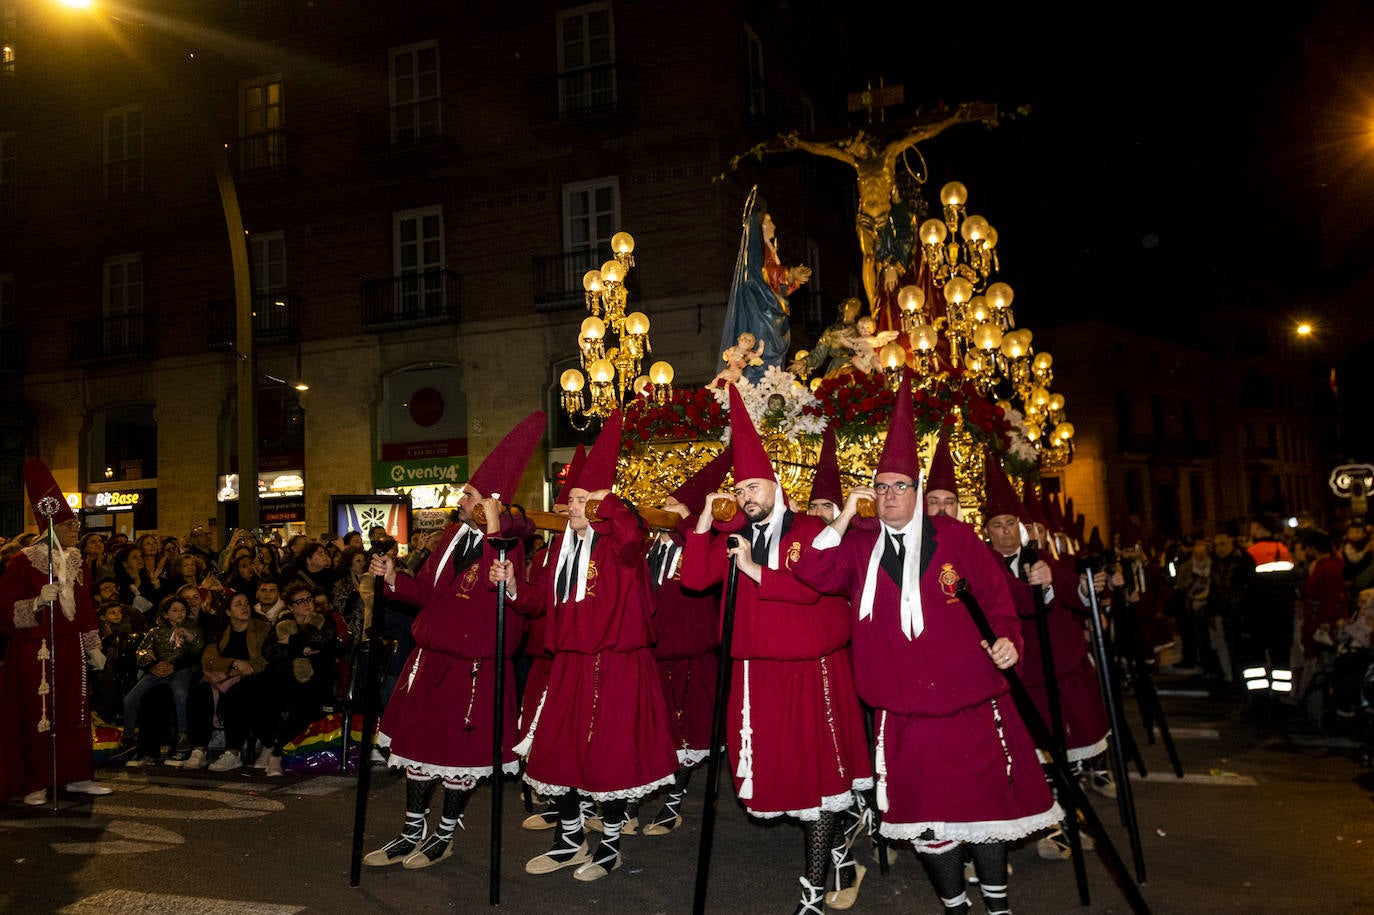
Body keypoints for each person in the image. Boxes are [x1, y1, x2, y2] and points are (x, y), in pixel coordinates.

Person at [795, 374, 1059, 915]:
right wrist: (847, 513)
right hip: (905, 712)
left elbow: (1000, 605)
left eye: (900, 487)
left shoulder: (958, 539)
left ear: (917, 492)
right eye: (881, 487)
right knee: (931, 823)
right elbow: (816, 571)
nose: (890, 497)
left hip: (972, 702)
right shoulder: (860, 545)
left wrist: (1010, 641)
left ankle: (998, 908)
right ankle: (955, 907)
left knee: (987, 818)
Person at [681, 385, 873, 914]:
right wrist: (703, 521)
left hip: (809, 671)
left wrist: (753, 569)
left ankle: (813, 889)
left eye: (752, 487)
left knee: (816, 781)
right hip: (751, 672)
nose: (744, 496)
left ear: (775, 485)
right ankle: (841, 851)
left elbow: (815, 587)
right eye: (738, 489)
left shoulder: (811, 529)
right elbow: (695, 581)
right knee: (783, 776)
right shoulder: (731, 536)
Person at [494, 410, 678, 882]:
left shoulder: (620, 542)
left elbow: (635, 537)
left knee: (612, 756)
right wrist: (514, 585)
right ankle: (571, 838)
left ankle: (610, 845)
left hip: (619, 664)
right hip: (569, 664)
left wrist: (606, 505)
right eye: (572, 499)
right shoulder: (558, 550)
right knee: (556, 753)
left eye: (581, 499)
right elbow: (539, 604)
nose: (572, 506)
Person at [363, 411, 545, 870]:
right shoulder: (449, 537)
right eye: (463, 494)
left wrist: (495, 528)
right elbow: (426, 592)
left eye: (469, 495)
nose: (459, 500)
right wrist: (392, 579)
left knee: (459, 756)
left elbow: (502, 594)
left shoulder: (506, 547)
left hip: (475, 666)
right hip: (429, 660)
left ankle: (442, 835)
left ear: (490, 503)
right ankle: (410, 832)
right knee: (419, 751)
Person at [980, 457, 1112, 861]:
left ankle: (1069, 818)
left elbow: (1074, 590)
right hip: (1019, 674)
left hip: (1059, 668)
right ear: (986, 532)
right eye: (996, 526)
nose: (1004, 533)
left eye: (1010, 525)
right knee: (1033, 757)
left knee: (1066, 750)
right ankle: (1050, 826)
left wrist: (1091, 587)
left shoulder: (1042, 560)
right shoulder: (983, 565)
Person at [0, 459, 113, 805]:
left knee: (74, 711)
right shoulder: (22, 562)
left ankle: (75, 775)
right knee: (40, 713)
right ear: (52, 528)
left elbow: (86, 608)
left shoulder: (79, 562)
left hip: (71, 648)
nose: (76, 530)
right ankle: (35, 780)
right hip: (35, 649)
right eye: (68, 525)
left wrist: (93, 645)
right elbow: (5, 611)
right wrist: (35, 602)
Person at [639, 447, 730, 837]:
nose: (664, 511)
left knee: (689, 734)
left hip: (693, 656)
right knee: (658, 732)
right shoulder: (648, 549)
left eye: (673, 506)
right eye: (664, 505)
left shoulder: (701, 546)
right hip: (655, 654)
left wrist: (688, 524)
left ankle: (674, 802)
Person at [261, 582, 341, 776]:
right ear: (290, 606)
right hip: (286, 679)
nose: (307, 604)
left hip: (319, 680)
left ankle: (276, 752)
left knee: (303, 702)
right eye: (301, 601)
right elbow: (269, 650)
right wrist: (301, 649)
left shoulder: (324, 622)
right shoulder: (283, 624)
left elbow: (324, 643)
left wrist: (292, 643)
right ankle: (268, 745)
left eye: (309, 600)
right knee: (261, 690)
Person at [187, 591, 273, 772]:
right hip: (223, 678)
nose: (244, 607)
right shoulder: (220, 633)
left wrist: (238, 672)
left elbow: (263, 660)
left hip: (251, 679)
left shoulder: (262, 629)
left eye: (246, 603)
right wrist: (233, 665)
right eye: (238, 604)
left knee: (237, 695)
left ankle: (233, 753)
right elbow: (209, 659)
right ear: (227, 612)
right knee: (200, 692)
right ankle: (198, 750)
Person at [121, 594, 205, 766]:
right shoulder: (155, 632)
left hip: (181, 671)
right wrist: (152, 665)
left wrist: (188, 636)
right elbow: (142, 652)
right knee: (130, 698)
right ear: (165, 614)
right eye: (175, 610)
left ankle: (183, 736)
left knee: (180, 695)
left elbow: (199, 648)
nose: (179, 614)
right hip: (158, 670)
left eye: (182, 610)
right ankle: (128, 738)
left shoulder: (193, 628)